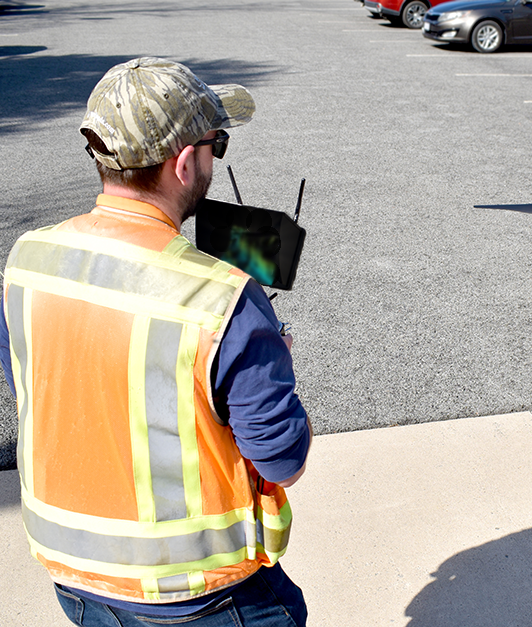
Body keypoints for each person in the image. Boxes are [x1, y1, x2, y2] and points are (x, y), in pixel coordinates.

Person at [0, 57, 312, 626]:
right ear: (186, 161)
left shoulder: (26, 261)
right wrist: (271, 369)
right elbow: (281, 458)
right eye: (217, 144)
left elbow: (51, 385)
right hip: (201, 597)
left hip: (74, 580)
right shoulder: (225, 300)